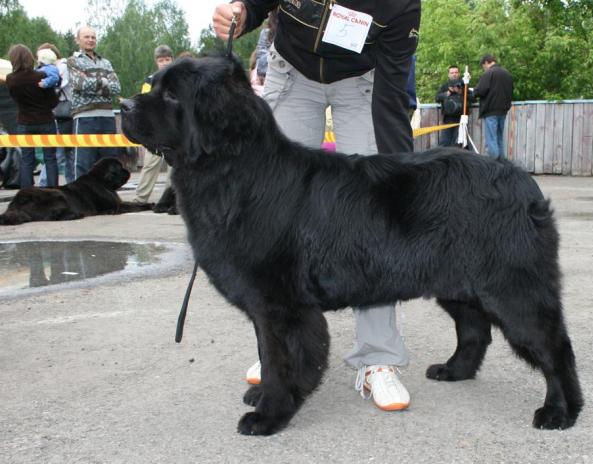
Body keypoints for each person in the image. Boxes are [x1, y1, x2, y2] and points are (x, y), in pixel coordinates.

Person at [214, 0, 420, 412]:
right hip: (292, 73)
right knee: (275, 219)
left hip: (364, 82)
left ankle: (377, 359)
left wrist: (396, 176)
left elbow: (394, 86)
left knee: (373, 220)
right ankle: (281, 351)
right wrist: (242, 14)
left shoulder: (402, 5)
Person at [67, 26, 121, 179]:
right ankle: (81, 200)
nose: (90, 40)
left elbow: (116, 88)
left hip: (107, 117)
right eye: (86, 37)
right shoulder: (73, 61)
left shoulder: (106, 63)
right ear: (78, 40)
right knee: (83, 163)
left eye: (93, 37)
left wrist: (92, 82)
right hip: (84, 118)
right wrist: (104, 83)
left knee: (110, 164)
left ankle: (109, 199)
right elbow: (80, 85)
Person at [3, 44, 59, 188]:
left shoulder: (10, 79)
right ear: (30, 58)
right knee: (50, 158)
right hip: (45, 120)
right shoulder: (41, 75)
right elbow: (53, 102)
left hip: (24, 122)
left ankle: (27, 192)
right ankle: (52, 192)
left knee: (27, 160)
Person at [133, 45, 174, 205]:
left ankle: (171, 198)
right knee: (150, 164)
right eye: (161, 60)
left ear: (172, 59)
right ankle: (140, 198)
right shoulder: (150, 80)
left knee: (174, 166)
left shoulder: (177, 78)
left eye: (167, 59)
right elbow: (143, 100)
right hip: (156, 129)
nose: (164, 63)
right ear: (156, 61)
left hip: (173, 128)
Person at [36, 43, 75, 186]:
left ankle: (44, 184)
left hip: (62, 113)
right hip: (62, 114)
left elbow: (57, 87)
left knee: (59, 152)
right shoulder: (58, 68)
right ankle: (72, 183)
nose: (39, 60)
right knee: (67, 152)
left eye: (41, 56)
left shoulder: (61, 68)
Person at [472, 54, 513, 159]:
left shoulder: (489, 73)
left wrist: (472, 92)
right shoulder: (507, 73)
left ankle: (494, 165)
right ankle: (503, 165)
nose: (484, 68)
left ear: (486, 62)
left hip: (491, 110)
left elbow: (480, 90)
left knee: (491, 139)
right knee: (499, 138)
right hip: (503, 110)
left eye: (483, 66)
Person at [435, 65, 467, 147]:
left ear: (459, 74)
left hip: (461, 119)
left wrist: (461, 92)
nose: (454, 74)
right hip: (448, 119)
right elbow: (437, 98)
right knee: (444, 142)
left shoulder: (464, 85)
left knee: (457, 143)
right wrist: (448, 92)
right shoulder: (445, 86)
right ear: (448, 74)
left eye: (456, 72)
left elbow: (472, 97)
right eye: (452, 73)